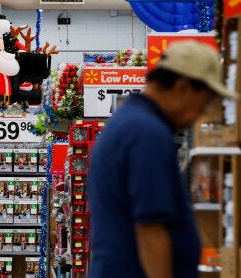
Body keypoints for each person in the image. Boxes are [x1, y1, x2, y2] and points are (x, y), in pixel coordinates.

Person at [88, 41, 237, 278]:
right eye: (205, 101)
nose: (203, 112)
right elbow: (150, 228)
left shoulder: (128, 122)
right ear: (183, 87)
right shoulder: (147, 134)